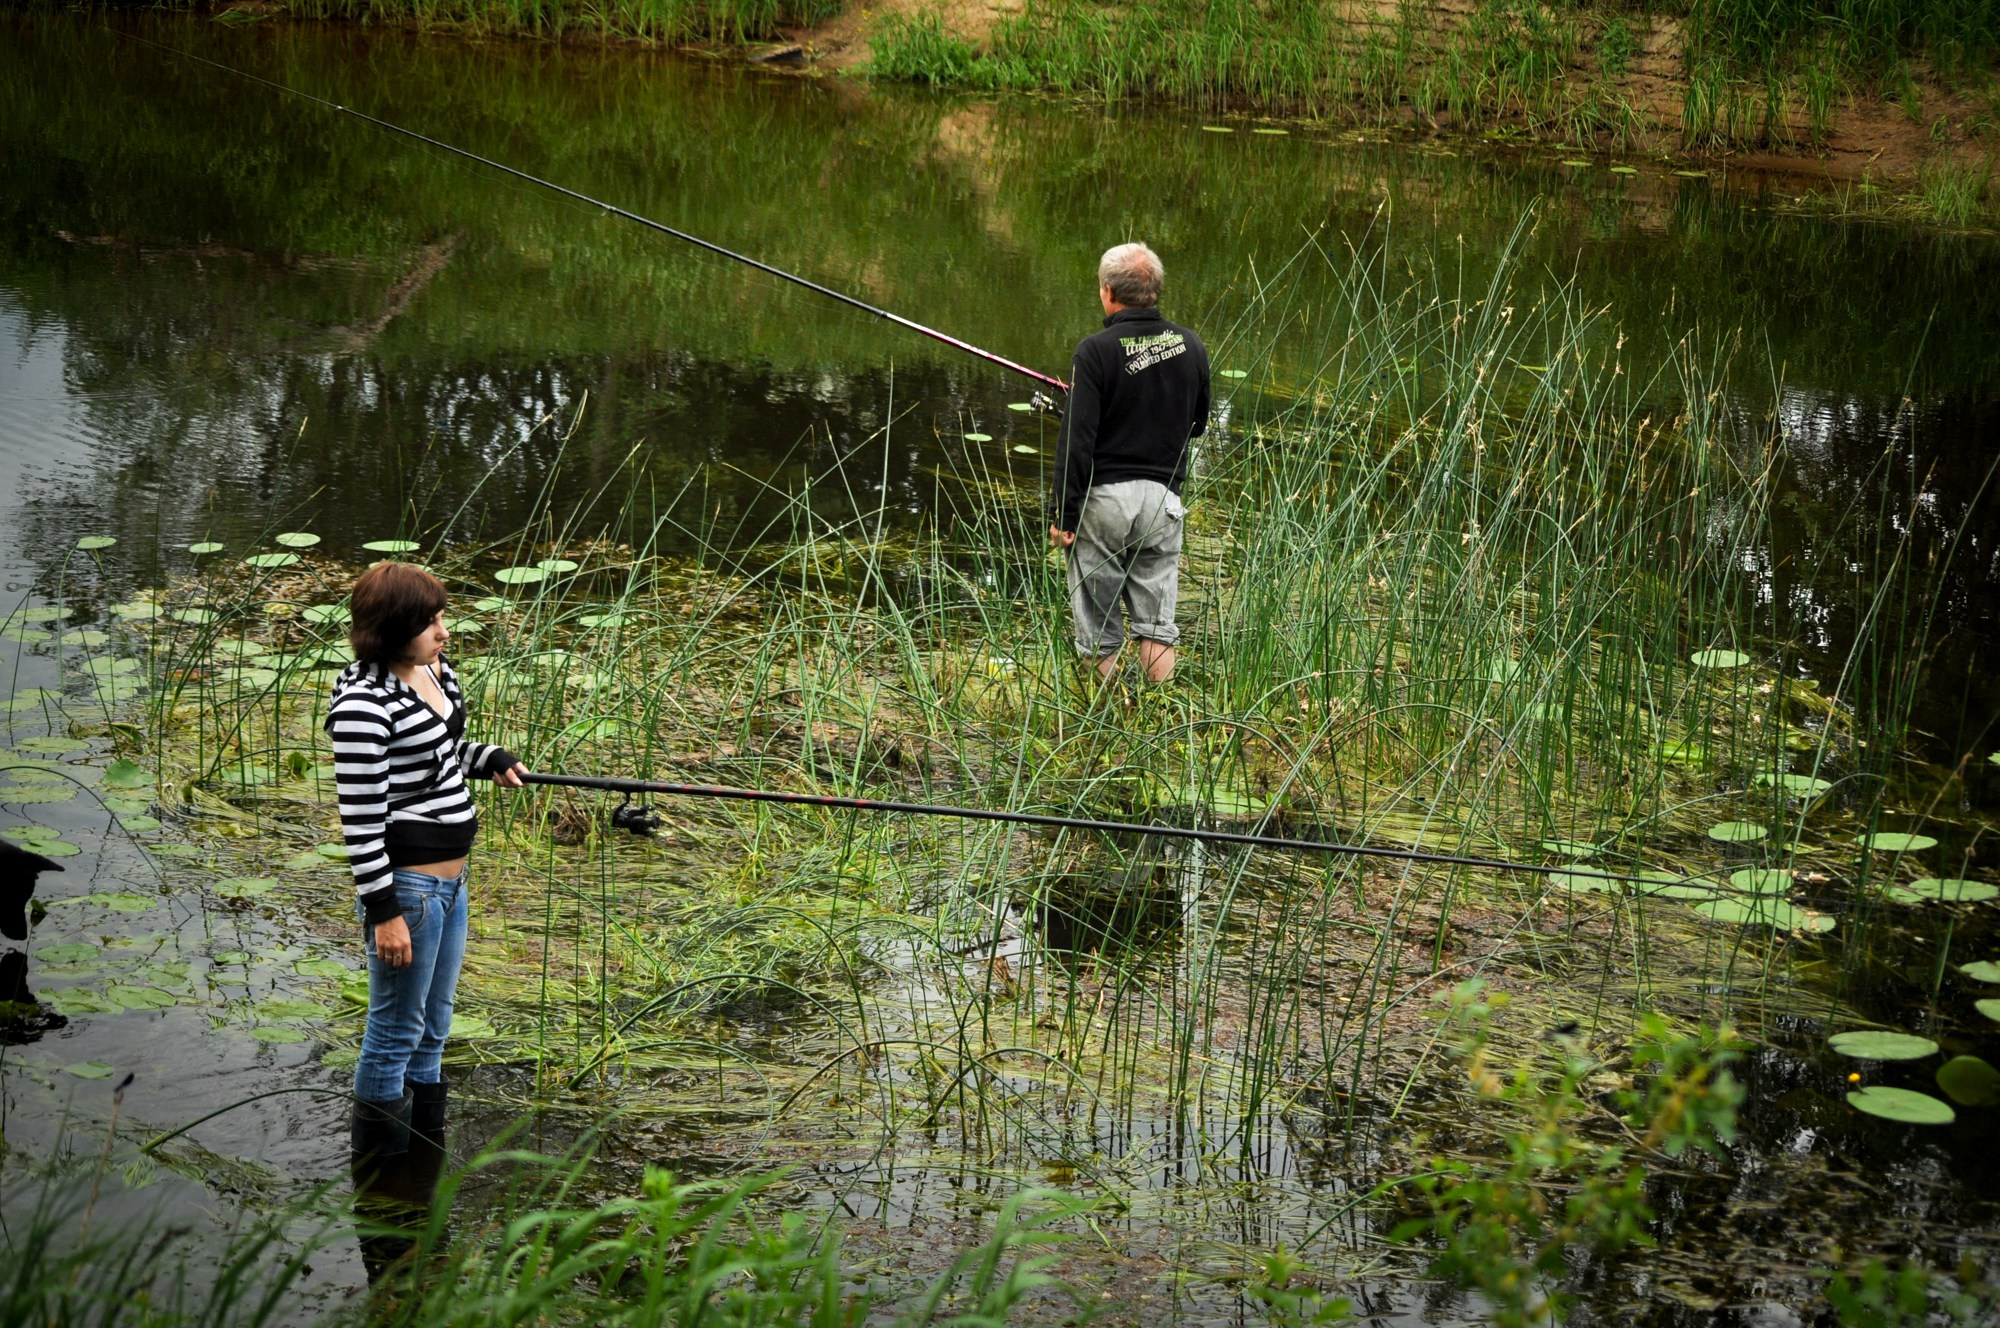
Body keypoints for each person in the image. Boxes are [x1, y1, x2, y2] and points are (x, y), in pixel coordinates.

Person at [326, 562, 525, 1165]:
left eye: (441, 617)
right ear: (388, 629)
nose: (443, 632)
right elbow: (360, 820)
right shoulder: (362, 706)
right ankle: (382, 1185)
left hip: (451, 885)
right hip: (408, 892)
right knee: (392, 1036)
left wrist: (486, 756)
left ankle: (421, 1164)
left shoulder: (435, 672)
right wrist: (384, 912)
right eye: (427, 622)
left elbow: (440, 753)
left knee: (433, 1032)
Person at [1050, 242, 1211, 684]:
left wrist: (1063, 514)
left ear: (1108, 291)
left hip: (1105, 503)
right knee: (1157, 624)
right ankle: (1159, 716)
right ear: (1155, 290)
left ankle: (1106, 715)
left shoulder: (1095, 351)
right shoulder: (1191, 345)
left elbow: (1076, 441)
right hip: (1163, 501)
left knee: (1098, 621)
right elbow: (1197, 424)